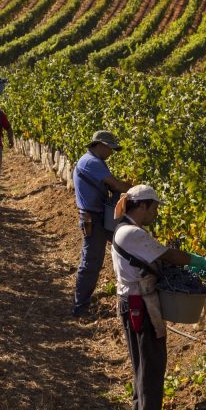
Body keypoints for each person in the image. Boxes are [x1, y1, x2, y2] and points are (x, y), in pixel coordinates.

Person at [110, 185, 206, 410]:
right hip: (140, 305)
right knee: (151, 364)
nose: (156, 213)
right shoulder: (131, 233)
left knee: (142, 363)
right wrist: (198, 262)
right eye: (154, 208)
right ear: (143, 206)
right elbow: (167, 255)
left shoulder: (127, 231)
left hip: (134, 302)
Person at [72, 130, 131, 317]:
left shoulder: (93, 161)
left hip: (100, 216)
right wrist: (136, 190)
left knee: (125, 248)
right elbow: (115, 185)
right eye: (110, 148)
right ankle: (80, 308)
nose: (111, 153)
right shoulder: (92, 162)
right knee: (91, 262)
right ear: (98, 145)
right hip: (94, 218)